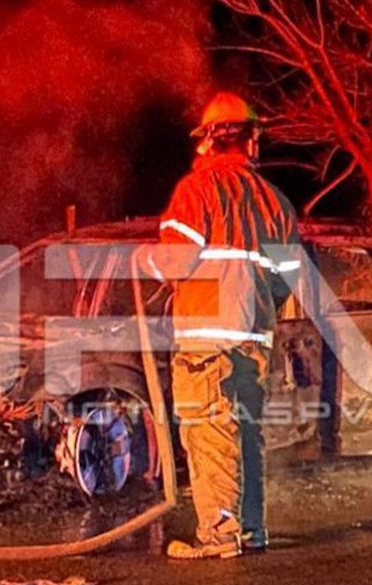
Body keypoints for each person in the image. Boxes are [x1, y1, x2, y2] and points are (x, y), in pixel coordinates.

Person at [148, 92, 301, 560]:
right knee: (245, 432)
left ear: (209, 141)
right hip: (254, 336)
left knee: (210, 431)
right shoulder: (275, 202)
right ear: (250, 141)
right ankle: (251, 529)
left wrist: (145, 260)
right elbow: (285, 280)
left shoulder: (195, 192)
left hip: (206, 337)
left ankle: (219, 534)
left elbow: (175, 261)